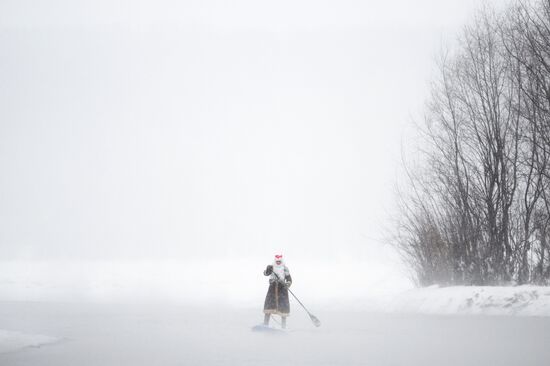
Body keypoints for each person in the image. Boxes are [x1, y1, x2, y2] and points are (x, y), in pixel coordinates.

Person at [263, 254, 292, 328]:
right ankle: (265, 325)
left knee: (283, 309)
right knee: (268, 308)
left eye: (279, 261)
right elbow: (266, 274)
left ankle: (283, 327)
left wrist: (287, 284)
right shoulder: (271, 267)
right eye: (277, 261)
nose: (278, 262)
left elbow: (289, 280)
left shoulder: (285, 269)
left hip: (282, 291)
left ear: (281, 261)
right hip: (272, 290)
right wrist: (267, 269)